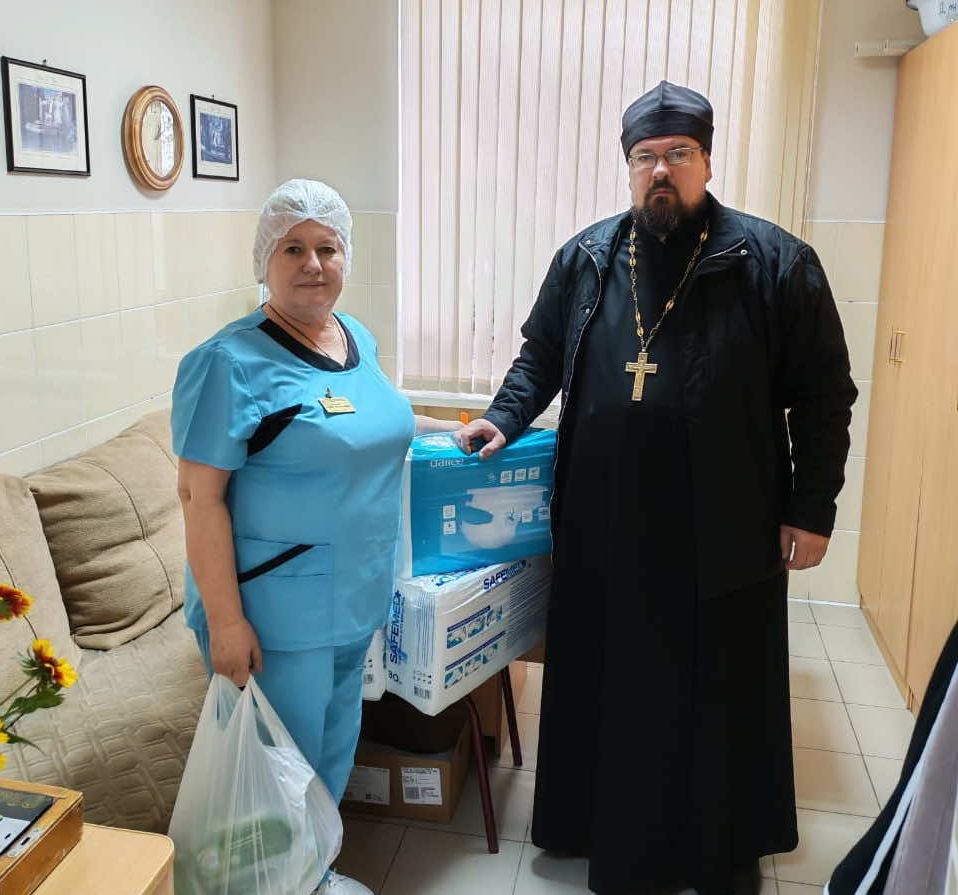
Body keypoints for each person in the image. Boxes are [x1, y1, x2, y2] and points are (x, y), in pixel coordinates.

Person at [458, 81, 858, 895]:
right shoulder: (586, 258)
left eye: (679, 153)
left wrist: (812, 509)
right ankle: (598, 826)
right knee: (615, 682)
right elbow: (540, 356)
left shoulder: (775, 264)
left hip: (725, 524)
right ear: (629, 167)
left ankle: (715, 848)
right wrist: (502, 417)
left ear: (707, 160)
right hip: (606, 523)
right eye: (646, 156)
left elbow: (825, 397)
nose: (661, 170)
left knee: (714, 688)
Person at [172, 179, 458, 895]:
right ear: (264, 261)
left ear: (346, 256)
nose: (313, 264)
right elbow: (199, 497)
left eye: (327, 248)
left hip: (355, 597)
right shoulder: (228, 363)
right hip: (277, 614)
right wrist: (228, 623)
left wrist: (452, 430)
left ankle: (313, 878)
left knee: (330, 757)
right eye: (292, 248)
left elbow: (375, 420)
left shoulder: (354, 335)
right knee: (279, 776)